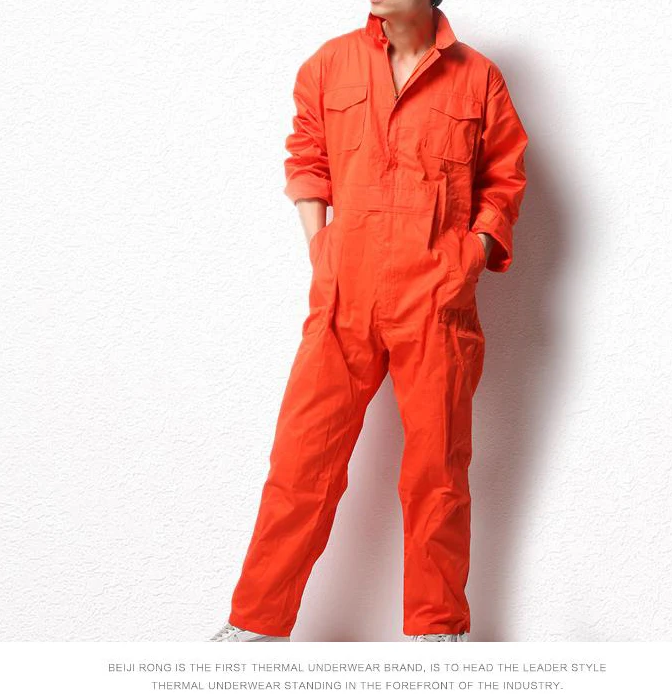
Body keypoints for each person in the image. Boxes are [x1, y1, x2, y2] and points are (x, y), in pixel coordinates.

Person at [209, 0, 528, 643]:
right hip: (343, 294)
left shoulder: (479, 78)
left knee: (438, 471)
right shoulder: (329, 65)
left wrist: (468, 257)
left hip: (434, 299)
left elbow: (503, 179)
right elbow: (307, 158)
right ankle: (256, 627)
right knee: (301, 462)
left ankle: (437, 633)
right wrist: (320, 246)